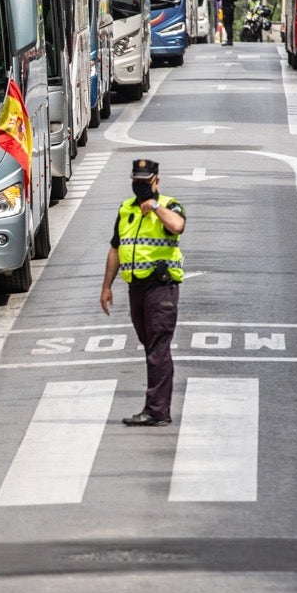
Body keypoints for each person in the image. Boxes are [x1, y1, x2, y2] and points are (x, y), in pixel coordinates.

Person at [100, 159, 186, 426]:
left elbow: (178, 226)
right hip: (135, 289)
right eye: (136, 181)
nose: (140, 186)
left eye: (145, 182)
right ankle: (157, 408)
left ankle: (157, 411)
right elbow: (116, 248)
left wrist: (156, 207)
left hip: (161, 289)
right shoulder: (126, 209)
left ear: (156, 181)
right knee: (151, 346)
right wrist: (106, 286)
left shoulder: (170, 205)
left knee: (158, 348)